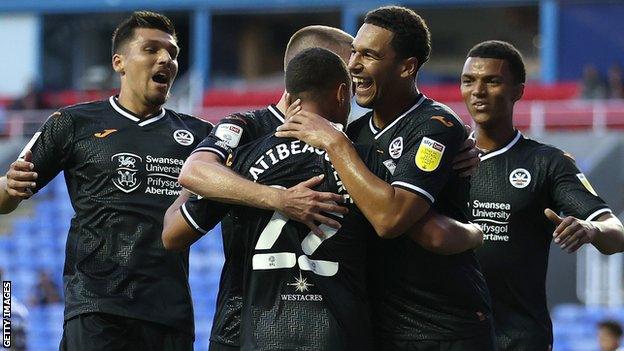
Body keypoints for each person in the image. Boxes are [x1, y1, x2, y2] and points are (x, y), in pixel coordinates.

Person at [178, 23, 482, 351]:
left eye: (366, 57)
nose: (355, 70)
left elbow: (173, 228)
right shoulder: (255, 132)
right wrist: (278, 198)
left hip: (304, 327)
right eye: (349, 64)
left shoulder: (349, 138)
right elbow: (182, 208)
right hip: (267, 325)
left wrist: (453, 148)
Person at [276, 6, 495, 350]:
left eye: (369, 55)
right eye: (354, 53)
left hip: (441, 327)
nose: (354, 65)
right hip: (376, 325)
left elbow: (389, 219)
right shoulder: (356, 132)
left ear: (407, 67)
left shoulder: (435, 124)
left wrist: (336, 144)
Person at [0, 11, 214, 350]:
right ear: (120, 62)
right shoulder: (72, 124)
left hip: (169, 313)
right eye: (151, 49)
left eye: (172, 53)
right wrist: (9, 187)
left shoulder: (200, 136)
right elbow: (4, 196)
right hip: (97, 308)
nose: (166, 59)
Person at [460, 40, 624, 350]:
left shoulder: (546, 163)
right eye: (469, 80)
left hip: (519, 339)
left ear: (518, 90)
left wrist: (590, 228)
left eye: (492, 81)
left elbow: (616, 233)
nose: (478, 91)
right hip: (451, 337)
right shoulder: (440, 160)